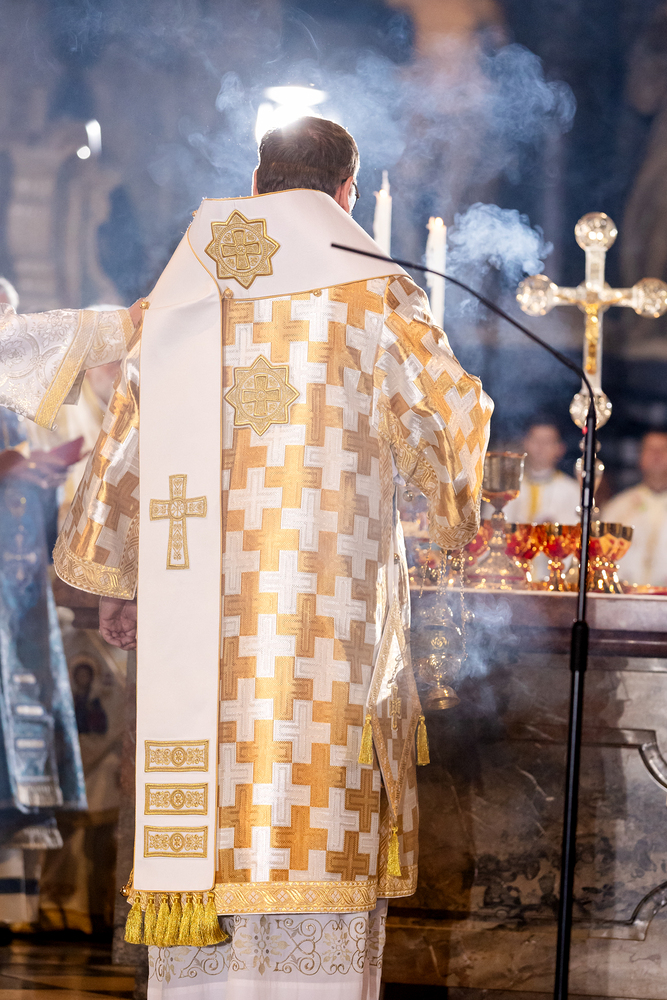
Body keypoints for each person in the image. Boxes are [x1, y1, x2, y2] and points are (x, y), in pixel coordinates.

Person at [0, 118, 492, 998]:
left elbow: (129, 437)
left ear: (256, 183)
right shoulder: (373, 291)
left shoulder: (191, 285)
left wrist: (123, 577)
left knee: (214, 807)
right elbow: (448, 423)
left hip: (204, 619)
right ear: (345, 192)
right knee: (317, 803)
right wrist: (452, 506)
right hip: (325, 622)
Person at [0, 279, 87, 930]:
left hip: (19, 595)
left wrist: (38, 475)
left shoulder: (21, 394)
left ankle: (15, 910)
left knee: (18, 753)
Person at [602, 430, 667, 587]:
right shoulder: (618, 507)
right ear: (640, 457)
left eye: (663, 449)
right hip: (627, 596)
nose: (657, 455)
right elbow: (603, 556)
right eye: (650, 450)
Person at [503, 421, 580, 525]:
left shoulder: (571, 489)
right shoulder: (508, 487)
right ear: (525, 443)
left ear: (560, 448)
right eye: (535, 440)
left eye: (547, 441)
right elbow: (493, 526)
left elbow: (576, 528)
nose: (540, 447)